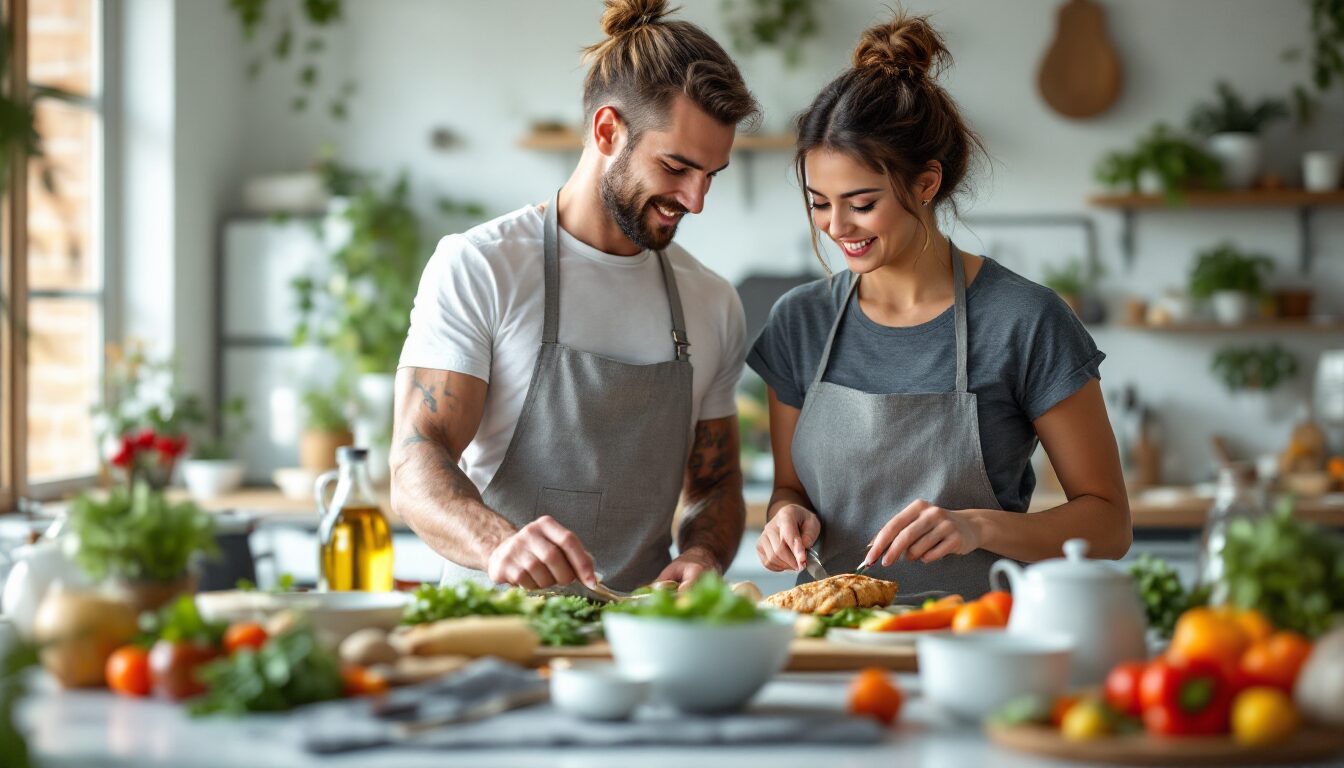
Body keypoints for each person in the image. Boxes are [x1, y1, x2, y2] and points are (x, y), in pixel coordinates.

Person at [749, 13, 1131, 600]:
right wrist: (784, 517)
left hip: (974, 639)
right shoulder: (800, 322)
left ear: (926, 183)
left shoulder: (1026, 321)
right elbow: (789, 489)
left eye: (861, 202)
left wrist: (977, 525)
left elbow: (1108, 524)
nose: (836, 227)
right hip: (829, 643)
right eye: (819, 203)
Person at [390, 0, 759, 593]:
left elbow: (715, 487)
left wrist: (703, 556)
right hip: (495, 632)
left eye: (710, 175)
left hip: (640, 636)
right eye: (676, 167)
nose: (695, 201)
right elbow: (415, 461)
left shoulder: (712, 301)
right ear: (607, 130)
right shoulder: (483, 266)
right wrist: (498, 544)